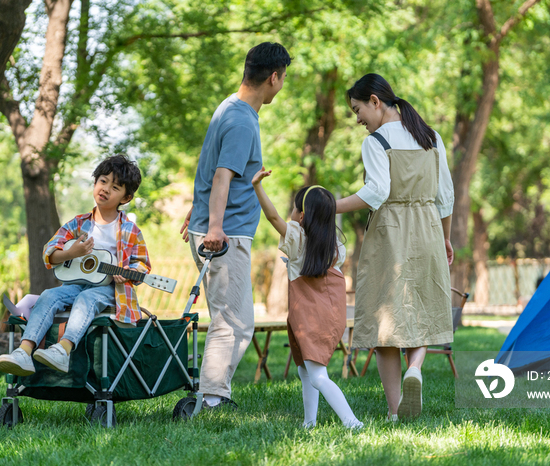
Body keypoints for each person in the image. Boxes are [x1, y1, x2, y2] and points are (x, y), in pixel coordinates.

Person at [179, 42, 291, 409]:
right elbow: (222, 176)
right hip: (224, 236)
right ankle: (210, 400)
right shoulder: (242, 119)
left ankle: (212, 396)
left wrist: (198, 215)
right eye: (284, 77)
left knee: (228, 319)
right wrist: (212, 226)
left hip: (214, 228)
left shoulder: (227, 108)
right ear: (273, 77)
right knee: (234, 322)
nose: (282, 84)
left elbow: (208, 170)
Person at [337, 73, 455, 421]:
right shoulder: (431, 136)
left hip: (390, 231)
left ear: (375, 101)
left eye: (357, 109)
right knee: (422, 307)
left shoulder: (376, 142)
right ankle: (415, 366)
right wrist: (445, 237)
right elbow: (445, 197)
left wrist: (331, 205)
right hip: (429, 228)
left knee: (384, 319)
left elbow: (376, 193)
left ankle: (393, 411)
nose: (357, 118)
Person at [0, 155, 151, 376]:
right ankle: (24, 352)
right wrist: (71, 253)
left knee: (86, 299)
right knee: (49, 295)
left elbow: (143, 265)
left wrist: (128, 274)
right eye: (103, 181)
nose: (105, 188)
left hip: (109, 290)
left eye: (115, 187)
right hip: (75, 284)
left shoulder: (130, 230)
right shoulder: (78, 223)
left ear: (125, 197)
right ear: (95, 182)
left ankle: (63, 351)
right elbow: (48, 253)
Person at [252, 169, 363, 429]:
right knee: (305, 372)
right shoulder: (336, 247)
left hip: (309, 318)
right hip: (329, 316)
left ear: (301, 216)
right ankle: (309, 422)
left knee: (317, 376)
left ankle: (352, 423)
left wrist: (257, 186)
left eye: (294, 209)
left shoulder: (297, 238)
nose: (290, 213)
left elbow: (271, 216)